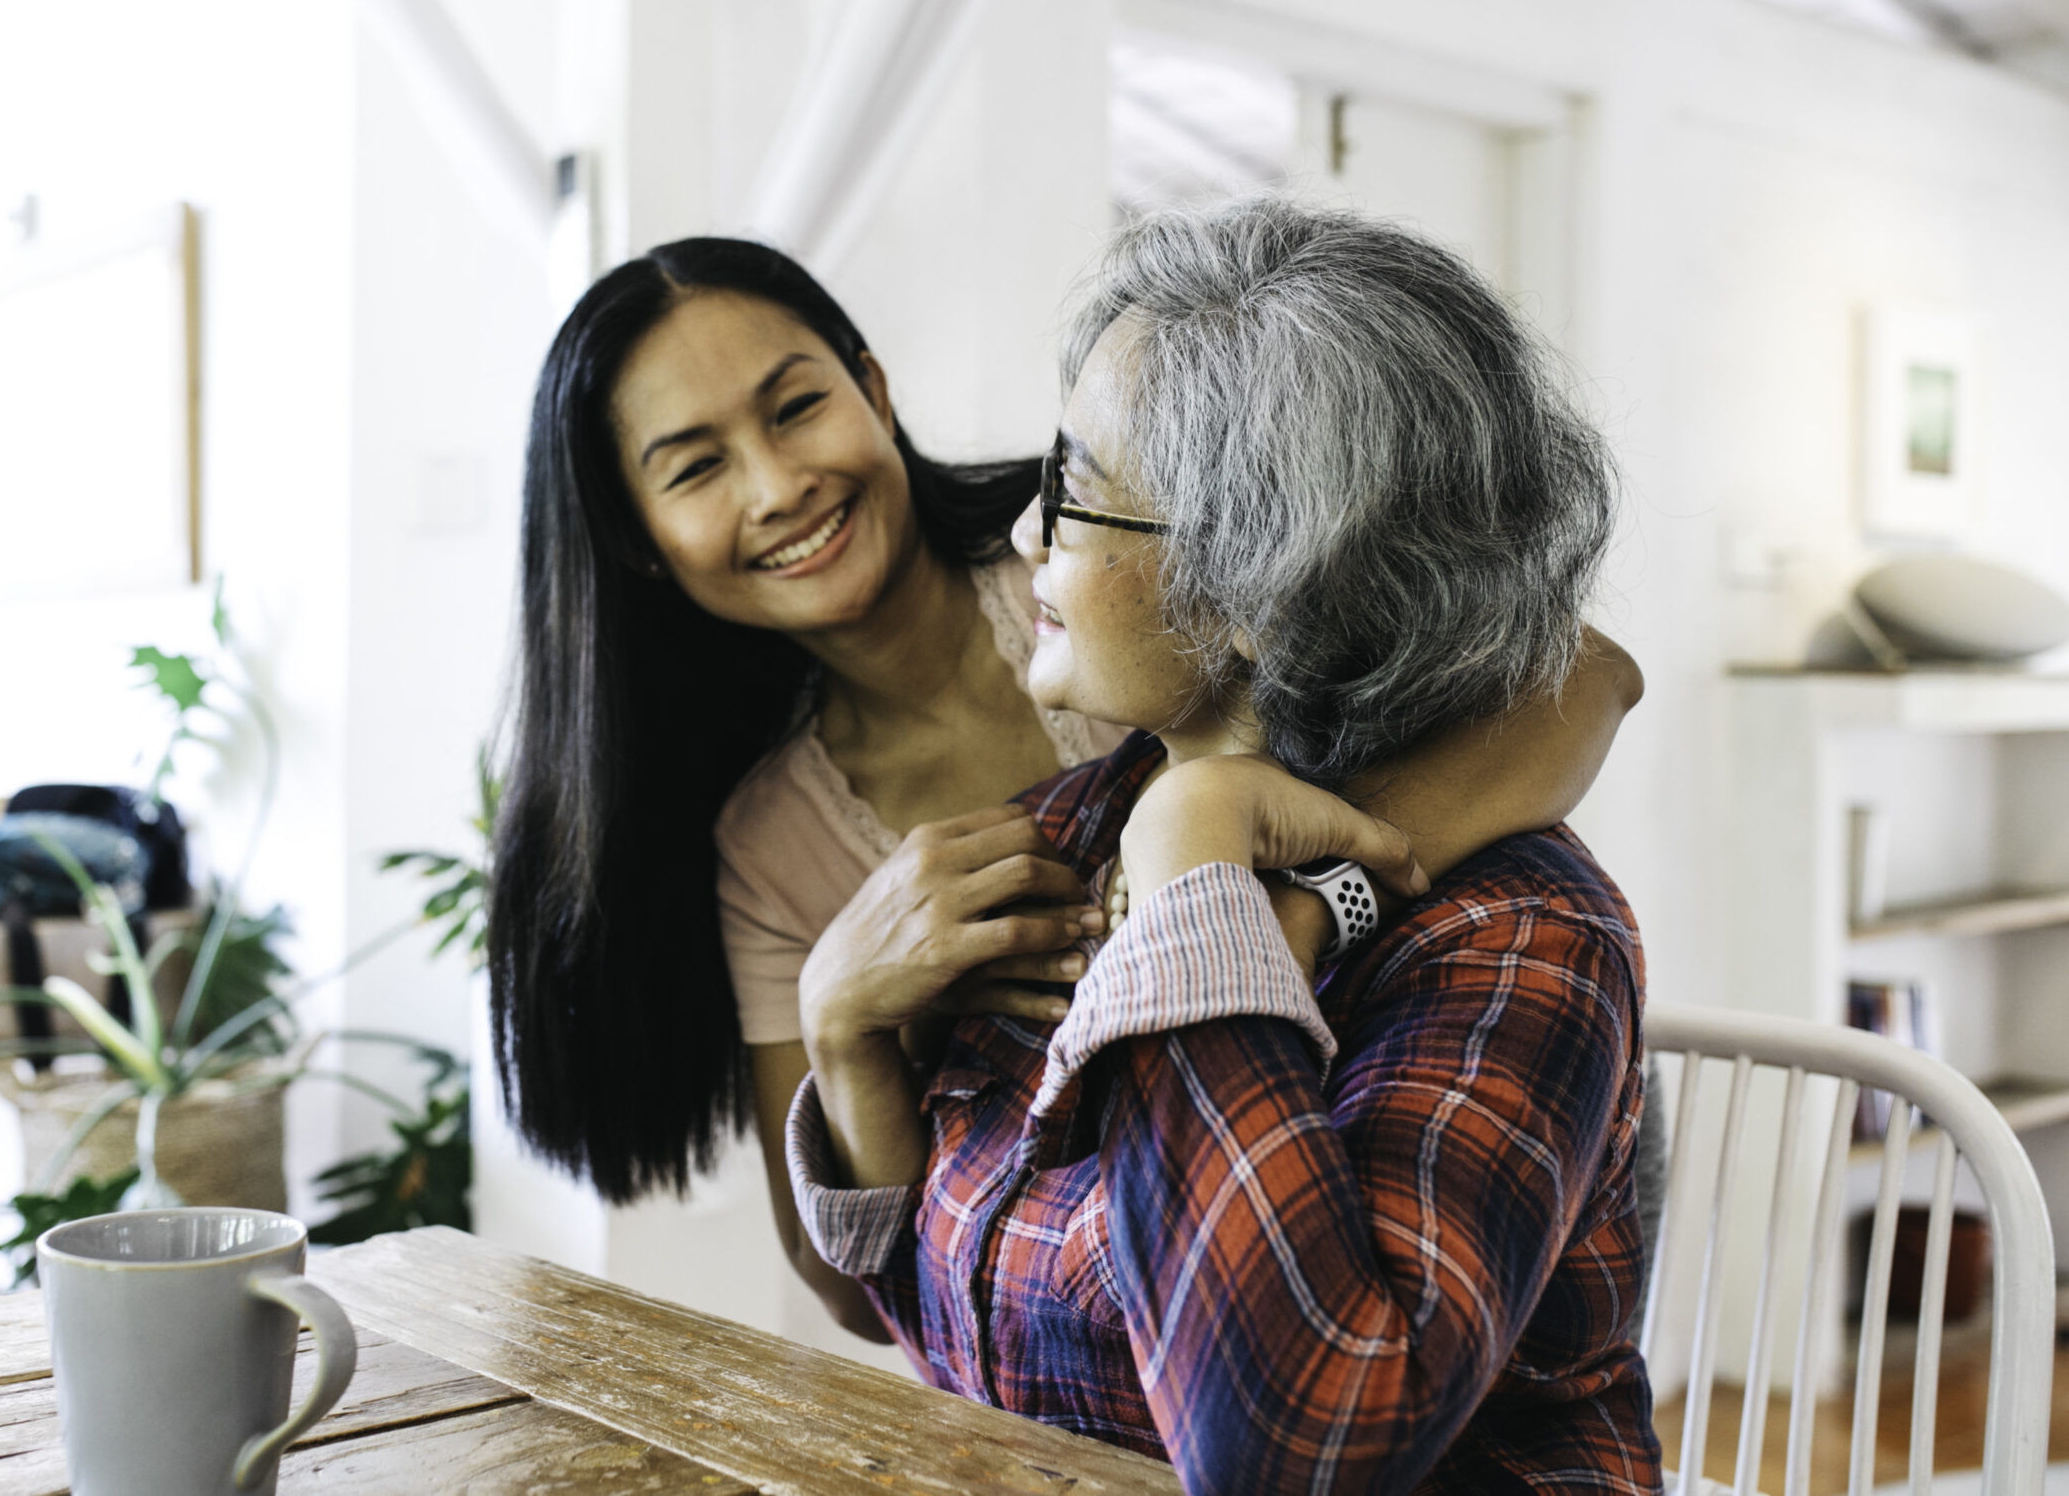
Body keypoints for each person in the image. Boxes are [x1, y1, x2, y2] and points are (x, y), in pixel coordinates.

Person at [486, 235, 1643, 1338]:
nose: (779, 483)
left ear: (872, 389)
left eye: (797, 408)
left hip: (1420, 1171)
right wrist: (840, 1022)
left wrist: (1297, 895)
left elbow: (1581, 673)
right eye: (695, 466)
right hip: (1083, 1338)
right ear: (637, 537)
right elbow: (864, 1300)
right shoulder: (764, 841)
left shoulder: (1105, 589)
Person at [788, 197, 1658, 1492]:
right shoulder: (1078, 832)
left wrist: (1198, 874)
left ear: (1263, 581)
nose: (1027, 535)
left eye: (1073, 493)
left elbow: (1298, 1442)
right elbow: (971, 1334)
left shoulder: (1514, 938)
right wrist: (847, 1045)